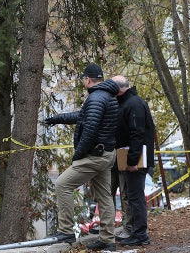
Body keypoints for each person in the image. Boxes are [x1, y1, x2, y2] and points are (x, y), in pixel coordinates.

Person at [44, 63, 119, 251]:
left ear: (87, 79)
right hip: (107, 153)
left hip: (95, 155)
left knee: (63, 184)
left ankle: (66, 231)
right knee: (104, 196)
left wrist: (77, 155)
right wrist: (58, 118)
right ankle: (108, 240)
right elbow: (85, 117)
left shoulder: (95, 98)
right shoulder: (107, 95)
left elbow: (90, 129)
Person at [111, 75, 156, 247]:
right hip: (132, 157)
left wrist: (131, 161)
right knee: (132, 196)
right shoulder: (130, 103)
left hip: (135, 160)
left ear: (119, 89)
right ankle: (137, 233)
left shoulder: (134, 104)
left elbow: (137, 134)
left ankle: (140, 234)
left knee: (136, 197)